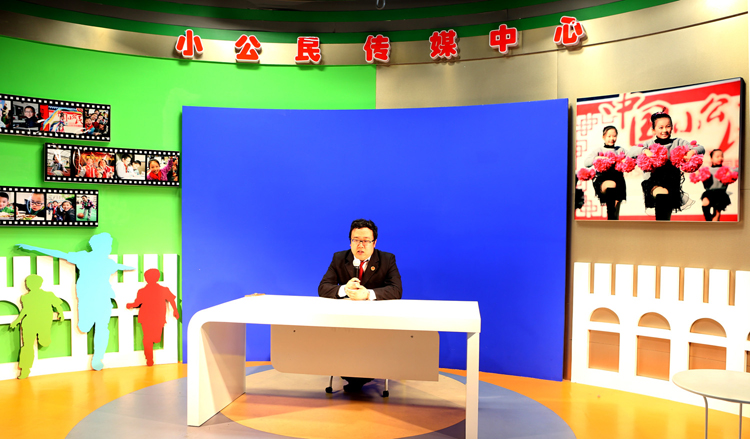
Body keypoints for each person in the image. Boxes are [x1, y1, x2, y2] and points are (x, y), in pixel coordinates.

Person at [16, 233, 135, 371]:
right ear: (97, 246)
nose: (109, 249)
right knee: (84, 327)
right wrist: (32, 248)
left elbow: (118, 266)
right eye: (107, 246)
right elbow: (59, 253)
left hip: (104, 297)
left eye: (109, 246)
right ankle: (87, 326)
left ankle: (97, 358)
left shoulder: (109, 262)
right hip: (87, 297)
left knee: (103, 327)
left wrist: (129, 267)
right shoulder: (83, 257)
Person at [318, 219, 402, 392]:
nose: (360, 245)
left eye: (365, 241)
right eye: (356, 240)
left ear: (374, 243)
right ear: (350, 242)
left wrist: (368, 294)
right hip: (345, 323)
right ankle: (350, 373)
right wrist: (344, 289)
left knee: (368, 348)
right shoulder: (339, 258)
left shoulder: (387, 260)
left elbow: (396, 290)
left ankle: (363, 374)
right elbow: (323, 287)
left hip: (376, 323)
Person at [627, 110, 705, 221]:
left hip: (672, 184)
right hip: (653, 182)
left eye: (668, 126)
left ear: (672, 127)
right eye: (661, 127)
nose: (665, 130)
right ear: (653, 130)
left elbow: (701, 148)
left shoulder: (678, 142)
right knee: (662, 196)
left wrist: (691, 152)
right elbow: (631, 151)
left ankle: (661, 230)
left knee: (665, 217)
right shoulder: (649, 144)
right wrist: (645, 151)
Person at [9, 274, 66, 379]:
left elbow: (57, 304)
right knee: (27, 346)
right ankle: (25, 369)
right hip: (29, 323)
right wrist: (17, 321)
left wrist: (61, 313)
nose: (29, 285)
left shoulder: (48, 295)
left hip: (43, 322)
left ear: (39, 284)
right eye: (28, 283)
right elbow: (25, 310)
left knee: (45, 342)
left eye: (31, 283)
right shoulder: (25, 297)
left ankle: (44, 339)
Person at [126, 269, 179, 366]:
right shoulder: (143, 291)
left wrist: (175, 310)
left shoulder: (162, 290)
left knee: (154, 338)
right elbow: (138, 303)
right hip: (149, 317)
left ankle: (149, 352)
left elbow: (171, 300)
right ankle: (149, 359)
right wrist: (131, 305)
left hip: (154, 317)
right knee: (148, 339)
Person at [583, 126, 628, 220]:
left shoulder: (620, 150)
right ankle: (610, 220)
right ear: (603, 137)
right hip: (604, 179)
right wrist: (597, 158)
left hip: (619, 180)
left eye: (614, 136)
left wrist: (625, 161)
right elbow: (586, 163)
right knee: (610, 190)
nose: (612, 138)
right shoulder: (599, 150)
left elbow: (633, 159)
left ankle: (613, 223)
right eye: (609, 136)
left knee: (616, 208)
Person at [701, 149, 736, 221]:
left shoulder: (726, 170)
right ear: (711, 158)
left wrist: (730, 174)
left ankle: (715, 224)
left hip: (721, 193)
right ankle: (708, 220)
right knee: (705, 202)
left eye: (722, 156)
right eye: (717, 156)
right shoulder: (707, 170)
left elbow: (736, 172)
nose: (720, 158)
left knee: (717, 213)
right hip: (709, 192)